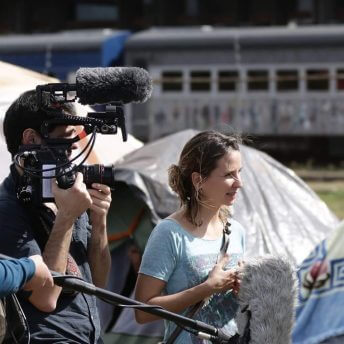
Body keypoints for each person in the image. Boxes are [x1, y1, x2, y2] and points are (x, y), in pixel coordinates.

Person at [0, 90, 112, 343]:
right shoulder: (7, 208)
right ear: (30, 139)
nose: (73, 148)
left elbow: (98, 284)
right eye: (64, 138)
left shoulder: (67, 191)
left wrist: (99, 219)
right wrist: (67, 217)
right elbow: (46, 298)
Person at [135, 130, 246, 343]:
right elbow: (142, 312)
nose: (239, 182)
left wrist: (245, 286)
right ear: (198, 180)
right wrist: (205, 289)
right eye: (229, 175)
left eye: (239, 172)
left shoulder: (236, 231)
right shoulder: (168, 234)